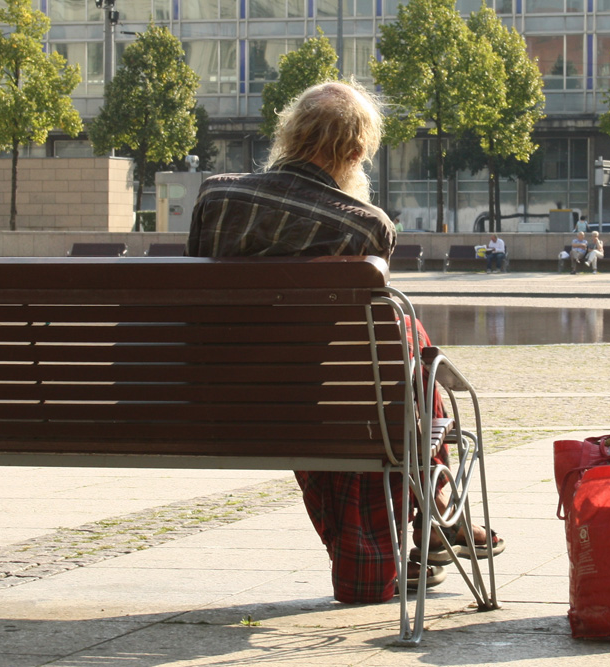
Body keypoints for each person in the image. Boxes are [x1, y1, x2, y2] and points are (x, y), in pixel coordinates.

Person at [187, 80, 501, 604]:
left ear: (288, 134)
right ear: (357, 153)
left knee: (376, 376)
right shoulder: (366, 226)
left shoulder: (216, 196)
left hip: (217, 405)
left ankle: (428, 524)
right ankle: (438, 508)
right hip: (324, 412)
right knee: (404, 365)